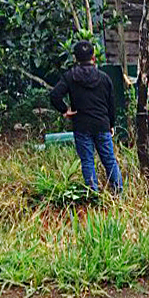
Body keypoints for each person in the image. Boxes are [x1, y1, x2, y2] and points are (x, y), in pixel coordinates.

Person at [50, 40, 122, 194]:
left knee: (87, 161)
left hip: (81, 126)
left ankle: (93, 194)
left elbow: (55, 95)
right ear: (94, 57)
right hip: (102, 124)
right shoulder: (104, 78)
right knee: (109, 160)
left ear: (75, 58)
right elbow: (111, 104)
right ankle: (118, 193)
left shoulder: (69, 77)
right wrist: (111, 124)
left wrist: (65, 110)